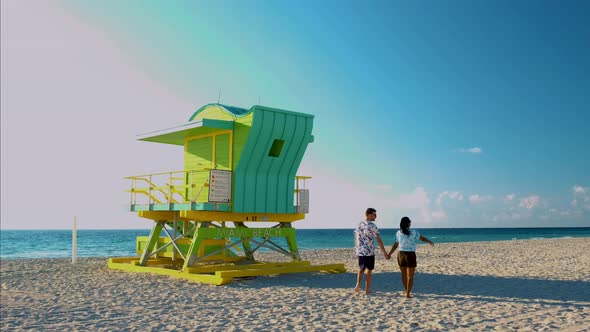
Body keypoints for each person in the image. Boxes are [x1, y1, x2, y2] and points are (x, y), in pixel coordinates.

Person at [388, 216, 434, 298]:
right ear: (408, 223)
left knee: (403, 274)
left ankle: (406, 290)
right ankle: (408, 293)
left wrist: (390, 253)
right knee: (410, 276)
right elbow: (422, 238)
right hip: (410, 255)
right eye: (410, 222)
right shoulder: (414, 232)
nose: (411, 223)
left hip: (400, 254)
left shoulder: (398, 232)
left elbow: (396, 244)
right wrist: (429, 241)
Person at [353, 208, 389, 295]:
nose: (376, 216)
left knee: (361, 269)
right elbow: (378, 239)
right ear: (369, 214)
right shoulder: (372, 226)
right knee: (369, 270)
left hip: (361, 251)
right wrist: (384, 252)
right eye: (374, 215)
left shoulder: (359, 224)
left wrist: (357, 249)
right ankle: (367, 290)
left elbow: (356, 237)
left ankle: (357, 286)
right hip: (369, 251)